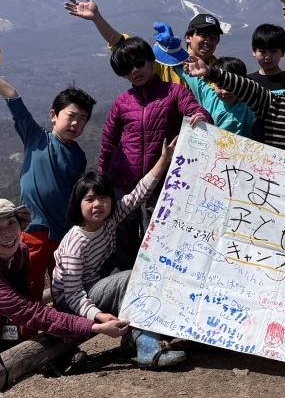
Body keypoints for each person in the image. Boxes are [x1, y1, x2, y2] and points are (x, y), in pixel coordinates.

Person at [0, 199, 128, 385]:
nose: (7, 233)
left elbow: (26, 301)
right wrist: (94, 327)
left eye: (11, 223)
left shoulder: (20, 252)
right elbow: (30, 312)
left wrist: (61, 327)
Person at [52, 139, 187, 368]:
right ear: (78, 205)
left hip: (92, 283)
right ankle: (147, 349)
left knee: (138, 274)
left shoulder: (109, 220)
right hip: (69, 301)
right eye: (90, 199)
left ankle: (137, 336)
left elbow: (138, 194)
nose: (98, 204)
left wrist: (164, 159)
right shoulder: (75, 243)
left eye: (103, 197)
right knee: (127, 279)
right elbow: (72, 293)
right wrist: (97, 316)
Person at [0, 51, 94, 300]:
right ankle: (24, 335)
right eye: (71, 116)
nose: (75, 124)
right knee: (28, 287)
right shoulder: (36, 138)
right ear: (53, 115)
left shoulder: (79, 155)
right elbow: (13, 98)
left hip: (65, 233)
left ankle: (63, 332)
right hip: (33, 230)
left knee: (65, 288)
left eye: (82, 120)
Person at [100, 33, 209, 272]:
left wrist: (201, 117)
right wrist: (102, 179)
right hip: (123, 182)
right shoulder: (121, 102)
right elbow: (108, 142)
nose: (134, 71)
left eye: (139, 63)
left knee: (157, 239)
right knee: (123, 242)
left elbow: (194, 109)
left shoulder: (174, 92)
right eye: (126, 69)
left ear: (151, 61)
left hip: (160, 182)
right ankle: (125, 290)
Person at [65, 0, 223, 86]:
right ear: (188, 37)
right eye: (203, 35)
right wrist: (97, 18)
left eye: (213, 37)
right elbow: (122, 45)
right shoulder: (166, 60)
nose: (208, 41)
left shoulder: (219, 70)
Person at [177, 56, 256, 137]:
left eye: (231, 86)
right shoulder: (209, 98)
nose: (225, 92)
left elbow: (268, 97)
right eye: (220, 86)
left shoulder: (250, 105)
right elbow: (182, 70)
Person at [247, 23, 285, 91]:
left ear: (282, 52)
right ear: (254, 52)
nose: (268, 57)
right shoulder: (247, 82)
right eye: (262, 52)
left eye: (273, 51)